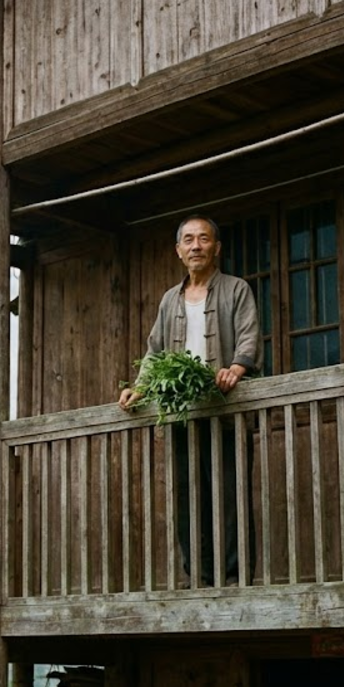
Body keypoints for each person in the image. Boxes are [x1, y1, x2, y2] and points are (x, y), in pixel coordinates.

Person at [118, 215, 261, 586]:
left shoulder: (236, 289)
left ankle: (233, 575)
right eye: (188, 240)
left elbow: (248, 337)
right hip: (183, 412)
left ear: (217, 247)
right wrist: (140, 387)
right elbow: (154, 352)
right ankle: (197, 573)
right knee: (188, 496)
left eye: (204, 239)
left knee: (230, 494)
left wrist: (235, 369)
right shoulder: (170, 300)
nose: (196, 246)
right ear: (178, 251)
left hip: (226, 410)